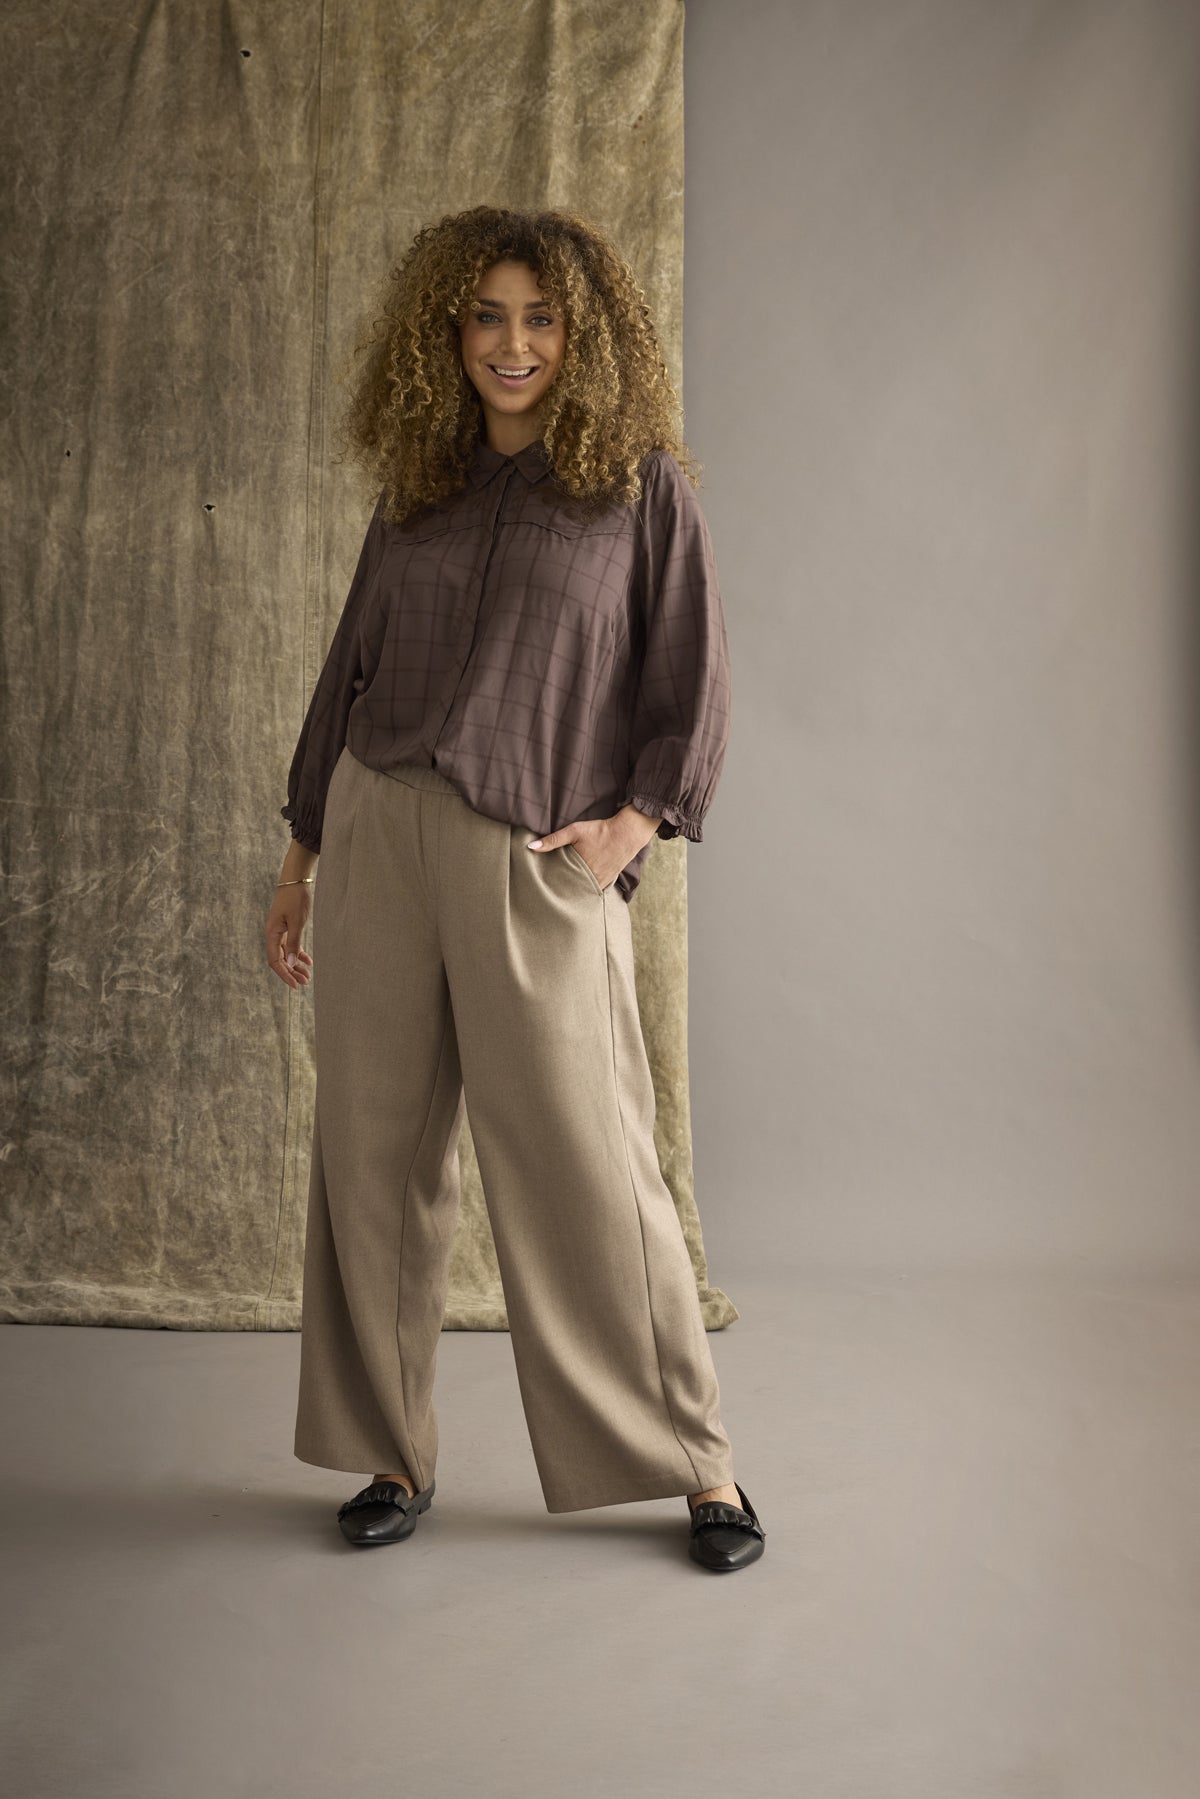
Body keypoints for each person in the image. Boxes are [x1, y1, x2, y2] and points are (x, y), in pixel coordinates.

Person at [264, 205, 765, 1573]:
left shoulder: (637, 490)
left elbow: (693, 677)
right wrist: (303, 859)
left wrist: (628, 829)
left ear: (582, 336)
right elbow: (348, 669)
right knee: (371, 1159)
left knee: (591, 1165)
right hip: (378, 836)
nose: (513, 343)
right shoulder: (418, 487)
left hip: (529, 859)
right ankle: (392, 1453)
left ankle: (699, 1465)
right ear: (450, 330)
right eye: (487, 315)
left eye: (541, 318)